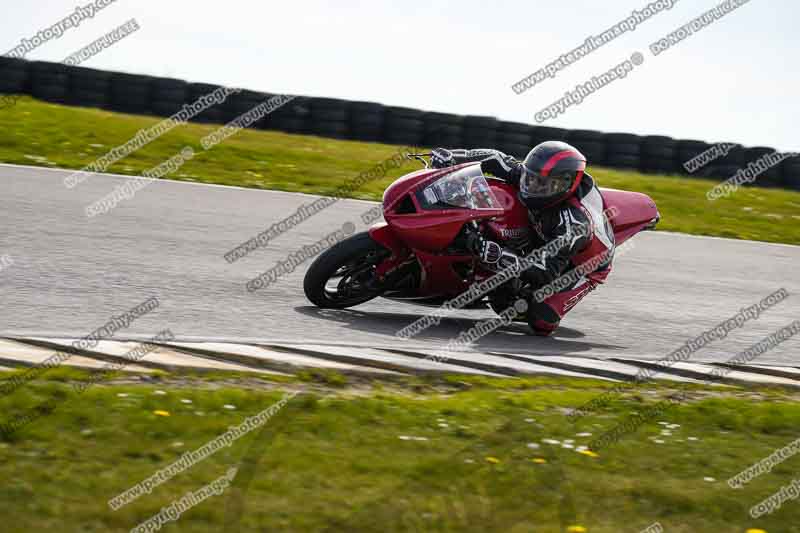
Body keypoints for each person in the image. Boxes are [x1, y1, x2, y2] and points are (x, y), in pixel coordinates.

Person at [430, 142, 616, 336]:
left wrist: (499, 255)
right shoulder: (534, 178)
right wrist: (454, 157)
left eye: (542, 184)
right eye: (530, 178)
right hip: (546, 235)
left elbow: (546, 271)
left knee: (541, 320)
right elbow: (495, 158)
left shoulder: (574, 224)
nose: (532, 187)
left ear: (565, 185)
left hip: (580, 265)